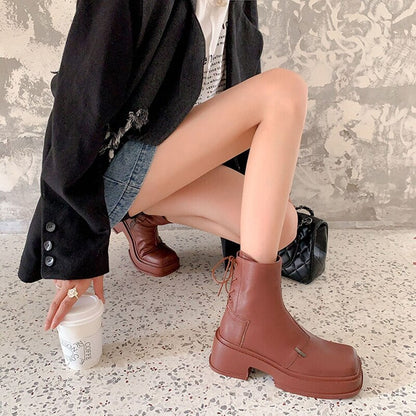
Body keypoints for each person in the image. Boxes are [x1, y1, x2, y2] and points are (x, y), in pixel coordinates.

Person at [18, 0, 363, 399]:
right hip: (112, 163)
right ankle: (252, 323)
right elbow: (78, 101)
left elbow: (234, 105)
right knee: (283, 92)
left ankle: (142, 214)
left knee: (282, 227)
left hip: (166, 155)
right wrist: (74, 249)